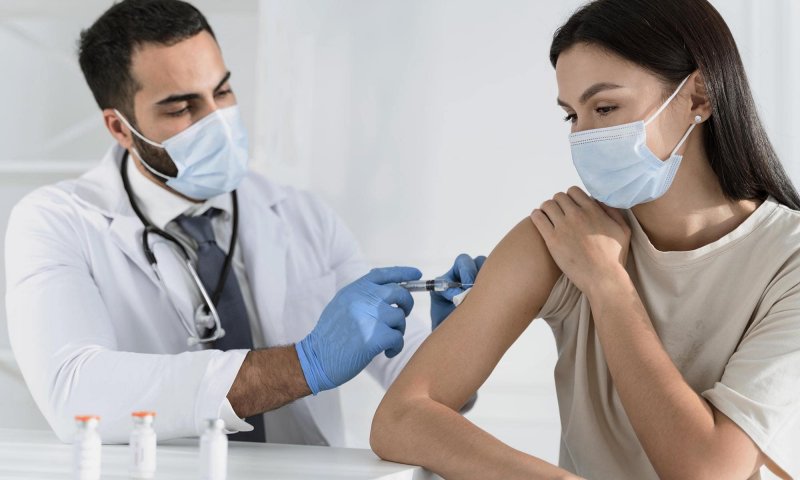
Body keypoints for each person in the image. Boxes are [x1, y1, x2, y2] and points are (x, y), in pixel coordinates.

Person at [5, 0, 482, 445]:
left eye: (222, 91)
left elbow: (424, 390)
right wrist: (305, 363)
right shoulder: (55, 223)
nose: (218, 121)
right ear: (119, 128)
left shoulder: (304, 216)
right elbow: (76, 392)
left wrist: (459, 345)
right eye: (181, 108)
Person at [370, 0, 800, 478]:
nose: (584, 137)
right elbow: (400, 418)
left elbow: (707, 471)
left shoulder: (789, 262)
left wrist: (607, 284)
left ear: (698, 96)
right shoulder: (564, 235)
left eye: (605, 107)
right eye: (571, 116)